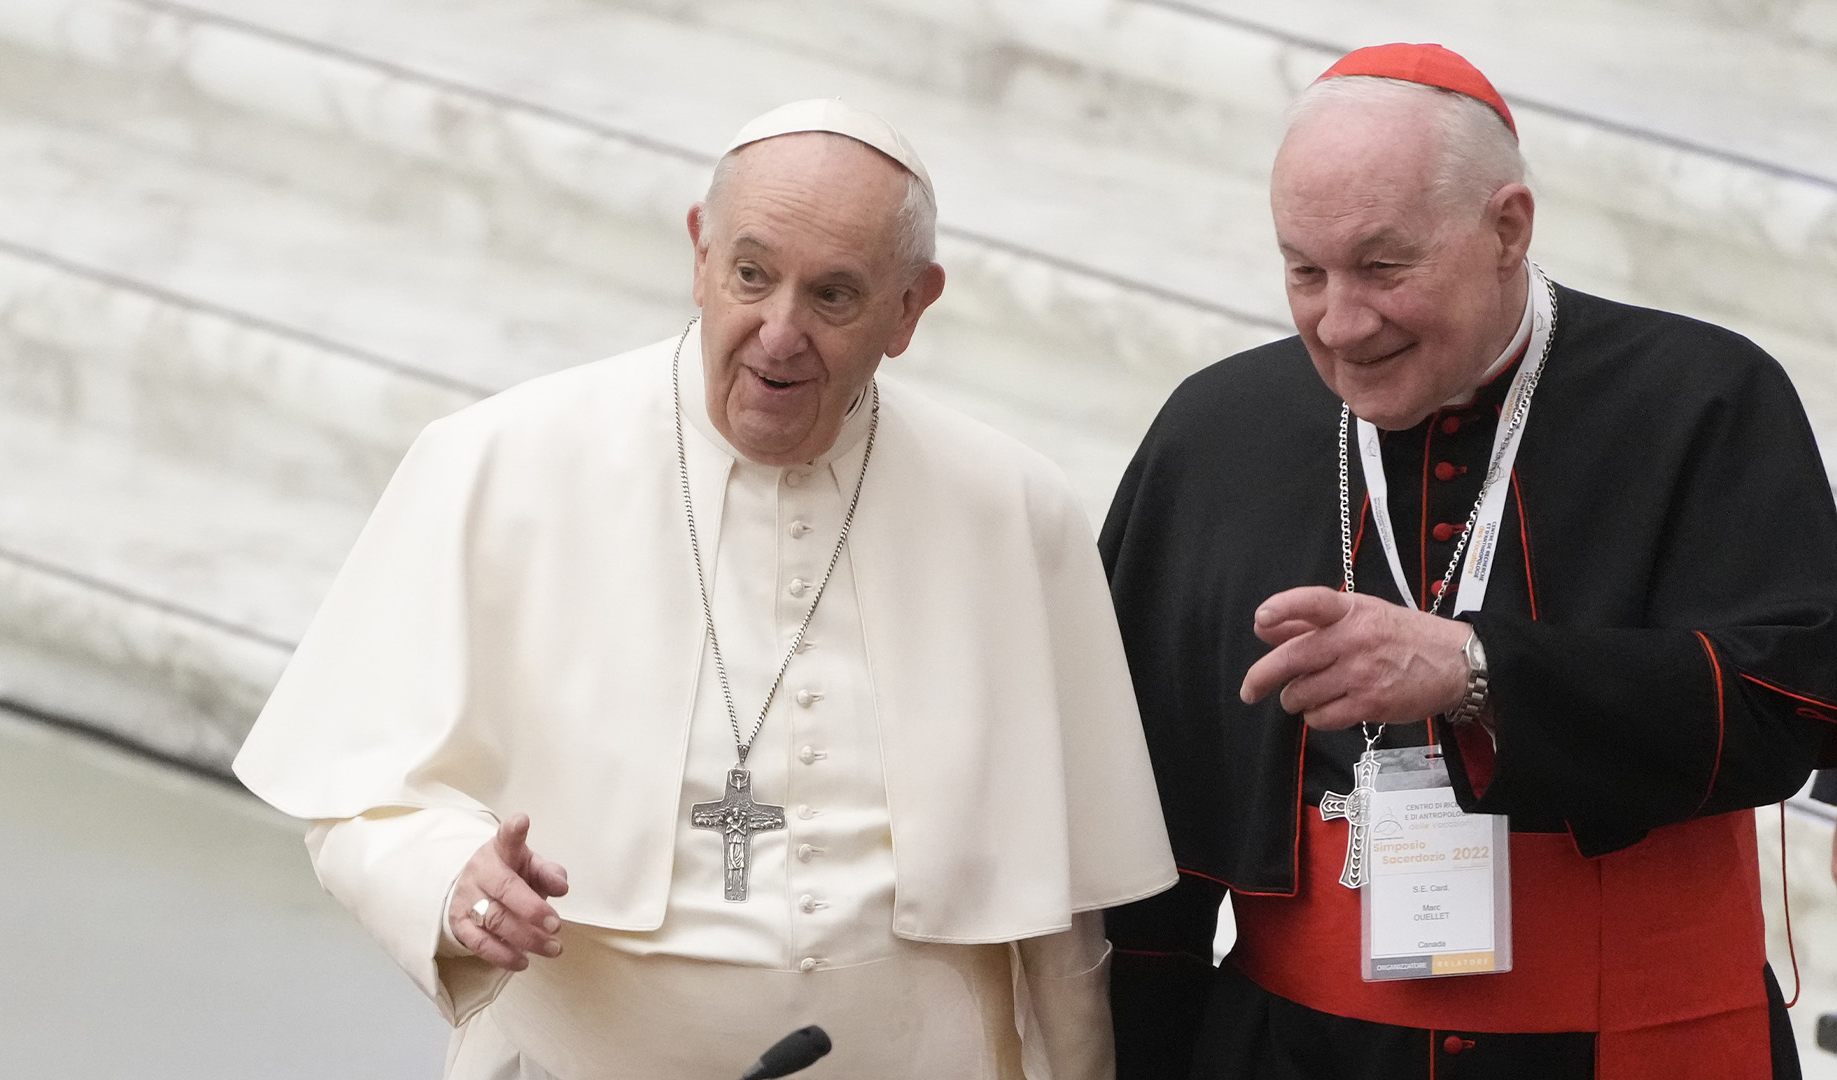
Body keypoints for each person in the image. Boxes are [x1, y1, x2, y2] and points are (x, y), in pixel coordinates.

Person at [233, 99, 1176, 1079]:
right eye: (752, 275)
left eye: (835, 296)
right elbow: (357, 802)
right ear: (698, 252)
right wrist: (450, 884)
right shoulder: (502, 461)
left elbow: (1068, 916)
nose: (778, 334)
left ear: (911, 308)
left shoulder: (1011, 509)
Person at [1099, 44, 1837, 1080]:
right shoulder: (1217, 429)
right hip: (1292, 1053)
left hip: (1633, 1050)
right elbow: (1128, 797)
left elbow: (1801, 699)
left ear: (1507, 230)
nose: (1341, 325)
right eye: (1304, 271)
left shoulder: (1703, 400)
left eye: (1384, 266)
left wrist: (1479, 672)